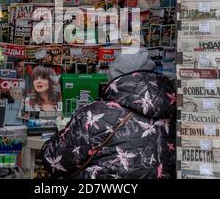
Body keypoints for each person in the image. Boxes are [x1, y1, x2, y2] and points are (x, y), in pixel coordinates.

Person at [41, 47, 176, 179]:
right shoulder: (175, 112)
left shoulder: (92, 115)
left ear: (114, 78)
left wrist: (63, 133)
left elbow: (53, 159)